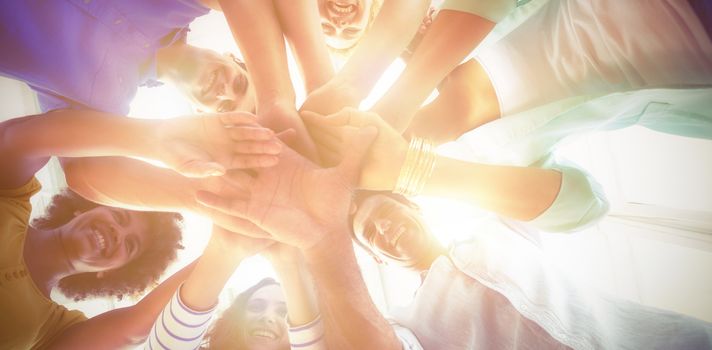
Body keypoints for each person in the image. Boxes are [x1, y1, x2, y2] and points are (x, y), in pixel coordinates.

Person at [193, 127, 712, 349]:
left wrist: (409, 165)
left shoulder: (498, 230)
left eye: (385, 212)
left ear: (413, 204)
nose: (383, 228)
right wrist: (322, 237)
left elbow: (583, 201)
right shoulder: (411, 321)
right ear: (377, 257)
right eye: (370, 235)